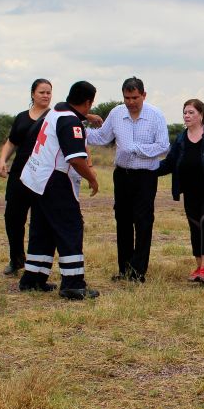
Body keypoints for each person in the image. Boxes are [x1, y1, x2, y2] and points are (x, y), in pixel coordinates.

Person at [18, 81, 100, 300]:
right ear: (88, 102)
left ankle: (33, 278)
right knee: (70, 228)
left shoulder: (57, 111)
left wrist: (87, 118)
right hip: (54, 181)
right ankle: (73, 284)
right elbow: (76, 160)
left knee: (42, 230)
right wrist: (92, 179)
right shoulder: (70, 122)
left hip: (35, 180)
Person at [84, 77, 170, 283]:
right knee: (122, 221)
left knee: (143, 221)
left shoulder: (155, 115)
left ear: (144, 95)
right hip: (122, 175)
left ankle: (138, 272)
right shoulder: (116, 113)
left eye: (135, 97)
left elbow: (163, 146)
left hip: (146, 176)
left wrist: (136, 149)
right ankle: (124, 269)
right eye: (127, 98)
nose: (130, 102)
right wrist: (76, 130)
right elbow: (102, 137)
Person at [156, 99, 204, 284]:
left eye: (191, 112)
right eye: (185, 112)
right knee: (195, 227)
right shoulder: (181, 138)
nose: (187, 116)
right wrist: (146, 170)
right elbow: (169, 162)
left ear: (201, 114)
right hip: (190, 191)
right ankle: (199, 266)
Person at [0, 79, 52, 277]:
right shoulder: (21, 117)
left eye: (48, 92)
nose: (45, 96)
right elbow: (11, 142)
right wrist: (3, 160)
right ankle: (16, 259)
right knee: (12, 218)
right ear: (32, 94)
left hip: (42, 175)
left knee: (40, 221)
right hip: (19, 174)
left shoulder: (54, 117)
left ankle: (37, 263)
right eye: (42, 92)